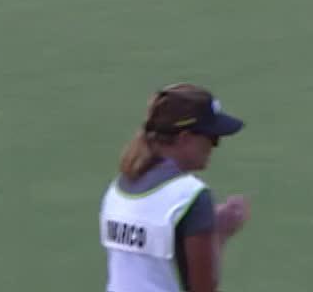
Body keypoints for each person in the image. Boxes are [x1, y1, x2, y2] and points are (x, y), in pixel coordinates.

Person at [101, 84, 250, 292]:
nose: (215, 146)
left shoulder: (117, 190)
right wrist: (220, 232)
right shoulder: (191, 196)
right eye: (212, 137)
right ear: (185, 138)